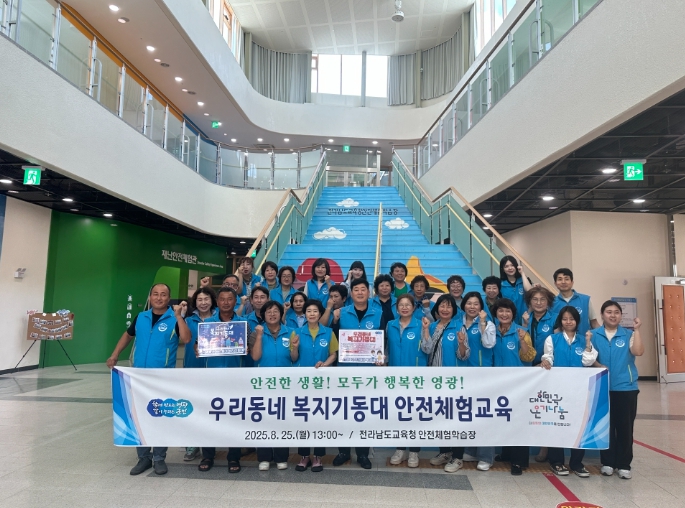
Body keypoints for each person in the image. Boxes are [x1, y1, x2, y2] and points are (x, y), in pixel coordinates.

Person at [106, 283, 191, 476]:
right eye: (155, 294)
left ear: (168, 298)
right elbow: (128, 335)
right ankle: (143, 458)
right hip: (139, 377)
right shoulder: (141, 317)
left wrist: (179, 316)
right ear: (150, 297)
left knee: (160, 417)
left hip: (162, 377)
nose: (159, 298)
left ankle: (159, 458)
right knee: (139, 417)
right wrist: (115, 354)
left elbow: (186, 339)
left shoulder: (174, 318)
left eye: (163, 295)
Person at [331, 278, 386, 469]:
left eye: (363, 289)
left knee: (365, 413)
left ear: (369, 293)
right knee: (344, 412)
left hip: (369, 372)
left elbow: (383, 340)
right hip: (345, 371)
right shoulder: (342, 313)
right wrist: (334, 320)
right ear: (351, 293)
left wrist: (381, 359)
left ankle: (363, 454)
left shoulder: (378, 313)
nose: (360, 292)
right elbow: (333, 338)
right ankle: (343, 452)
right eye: (356, 289)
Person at [540, 306, 598, 478]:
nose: (568, 322)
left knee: (579, 426)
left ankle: (577, 463)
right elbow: (548, 357)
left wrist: (587, 344)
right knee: (556, 425)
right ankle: (556, 462)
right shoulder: (552, 339)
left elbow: (588, 362)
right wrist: (546, 362)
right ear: (560, 321)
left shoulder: (584, 339)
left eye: (571, 319)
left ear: (577, 321)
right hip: (557, 389)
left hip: (579, 390)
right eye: (565, 319)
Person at [590, 300, 644, 480]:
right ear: (602, 315)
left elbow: (638, 351)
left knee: (625, 428)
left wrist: (637, 330)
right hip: (602, 386)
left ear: (621, 316)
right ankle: (607, 463)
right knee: (605, 427)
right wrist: (599, 366)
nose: (612, 315)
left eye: (616, 312)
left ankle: (623, 464)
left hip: (625, 387)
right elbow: (589, 357)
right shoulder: (594, 335)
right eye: (609, 312)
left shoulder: (628, 334)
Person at [199, 287, 248, 473]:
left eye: (230, 299)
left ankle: (233, 456)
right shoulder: (207, 324)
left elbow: (251, 349)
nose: (226, 302)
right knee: (209, 417)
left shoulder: (243, 324)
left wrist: (247, 348)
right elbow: (197, 347)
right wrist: (199, 349)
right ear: (217, 302)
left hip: (235, 379)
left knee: (234, 419)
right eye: (222, 299)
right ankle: (207, 455)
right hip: (211, 378)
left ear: (235, 302)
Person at [290, 299, 338, 472]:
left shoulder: (328, 332)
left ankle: (318, 456)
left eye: (315, 311)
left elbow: (333, 354)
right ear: (305, 314)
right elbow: (293, 358)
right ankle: (304, 456)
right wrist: (295, 347)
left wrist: (325, 364)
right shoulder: (296, 332)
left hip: (322, 382)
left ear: (320, 314)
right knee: (303, 418)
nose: (312, 314)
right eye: (308, 311)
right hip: (302, 383)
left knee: (319, 418)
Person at [491, 298, 536, 475]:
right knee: (504, 418)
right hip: (498, 382)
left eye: (507, 311)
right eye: (501, 311)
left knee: (518, 421)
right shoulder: (491, 332)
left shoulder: (521, 331)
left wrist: (522, 341)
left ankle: (519, 461)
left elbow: (529, 357)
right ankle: (507, 453)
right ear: (496, 314)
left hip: (518, 384)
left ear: (513, 314)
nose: (504, 314)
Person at [421, 294, 464, 472]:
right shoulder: (431, 326)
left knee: (455, 419)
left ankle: (458, 457)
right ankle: (445, 451)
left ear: (454, 310)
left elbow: (463, 355)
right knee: (439, 417)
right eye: (442, 306)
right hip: (434, 380)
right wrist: (425, 331)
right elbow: (426, 349)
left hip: (452, 381)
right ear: (437, 308)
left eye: (449, 306)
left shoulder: (459, 327)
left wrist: (461, 344)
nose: (445, 309)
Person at [249, 301, 294, 470]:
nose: (272, 314)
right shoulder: (255, 333)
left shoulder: (291, 332)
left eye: (276, 311)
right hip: (263, 383)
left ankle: (282, 457)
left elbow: (294, 358)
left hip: (285, 383)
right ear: (263, 315)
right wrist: (260, 336)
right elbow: (255, 357)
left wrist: (295, 348)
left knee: (282, 419)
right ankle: (264, 457)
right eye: (268, 312)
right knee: (264, 420)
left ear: (281, 314)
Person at [457, 292, 496, 471]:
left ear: (481, 307)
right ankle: (471, 450)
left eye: (476, 304)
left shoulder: (488, 324)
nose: (472, 307)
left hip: (482, 374)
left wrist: (482, 324)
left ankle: (486, 456)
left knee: (484, 415)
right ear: (463, 305)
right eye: (469, 303)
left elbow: (489, 344)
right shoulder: (457, 323)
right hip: (463, 375)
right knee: (467, 413)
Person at [387, 294, 427, 467]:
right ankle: (400, 449)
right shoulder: (390, 325)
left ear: (414, 307)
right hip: (395, 377)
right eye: (401, 305)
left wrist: (426, 331)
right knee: (399, 414)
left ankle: (414, 452)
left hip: (416, 377)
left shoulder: (421, 324)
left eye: (407, 305)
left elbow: (428, 348)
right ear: (397, 308)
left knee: (415, 415)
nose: (404, 307)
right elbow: (386, 349)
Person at [183, 287, 218, 462]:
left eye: (206, 299)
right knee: (194, 407)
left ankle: (212, 442)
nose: (203, 303)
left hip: (215, 370)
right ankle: (193, 444)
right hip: (193, 367)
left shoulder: (220, 319)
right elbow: (183, 339)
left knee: (212, 407)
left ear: (212, 301)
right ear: (195, 302)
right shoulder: (188, 320)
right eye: (199, 300)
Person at [550, 268, 600, 335]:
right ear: (555, 283)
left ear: (572, 282)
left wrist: (604, 337)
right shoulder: (552, 302)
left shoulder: (585, 300)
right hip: (560, 341)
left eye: (566, 279)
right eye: (560, 279)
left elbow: (594, 323)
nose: (563, 282)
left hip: (583, 340)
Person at [522, 287, 558, 366]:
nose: (538, 303)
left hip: (548, 365)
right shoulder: (524, 318)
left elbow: (558, 344)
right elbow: (521, 342)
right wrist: (525, 325)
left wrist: (547, 361)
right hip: (527, 365)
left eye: (542, 299)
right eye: (535, 299)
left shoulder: (556, 318)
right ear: (530, 301)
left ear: (548, 301)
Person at [499, 256, 532, 325]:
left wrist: (522, 273)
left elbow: (529, 290)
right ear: (503, 269)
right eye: (506, 266)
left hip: (525, 317)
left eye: (512, 265)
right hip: (508, 319)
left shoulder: (524, 280)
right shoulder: (500, 284)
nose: (510, 268)